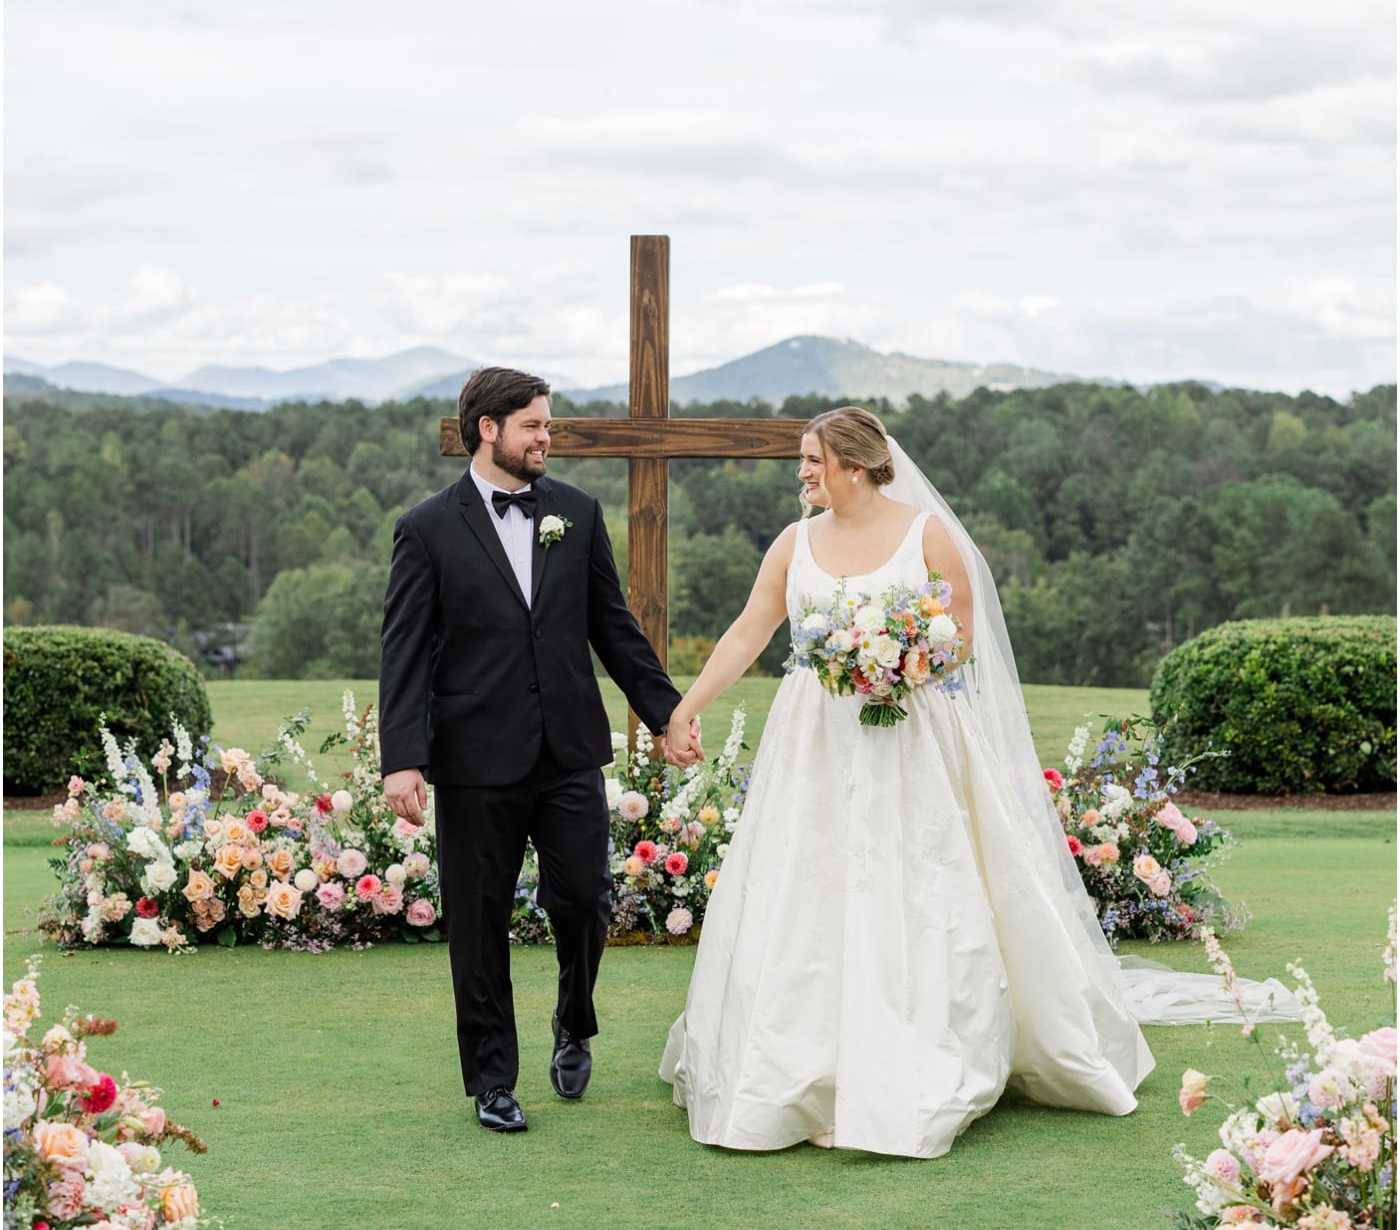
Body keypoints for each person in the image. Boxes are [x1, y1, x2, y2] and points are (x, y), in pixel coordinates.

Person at [660, 406, 1300, 1159]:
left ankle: (921, 1053)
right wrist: (683, 710)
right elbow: (748, 628)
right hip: (815, 747)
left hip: (909, 739)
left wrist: (898, 662)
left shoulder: (925, 535)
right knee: (807, 886)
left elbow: (960, 637)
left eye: (811, 459)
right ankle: (797, 1066)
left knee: (916, 887)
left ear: (856, 466)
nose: (800, 472)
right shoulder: (792, 543)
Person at [379, 366, 699, 1134]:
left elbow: (613, 627)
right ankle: (492, 1079)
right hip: (473, 759)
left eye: (548, 425)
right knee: (480, 920)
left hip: (567, 752)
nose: (546, 438)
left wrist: (666, 711)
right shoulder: (426, 528)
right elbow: (405, 652)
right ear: (487, 428)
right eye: (534, 426)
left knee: (585, 897)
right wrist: (402, 756)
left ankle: (572, 1016)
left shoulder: (578, 515)